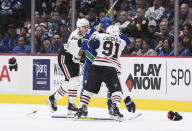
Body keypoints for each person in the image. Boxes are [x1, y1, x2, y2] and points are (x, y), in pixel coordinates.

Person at [75, 25, 135, 120]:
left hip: (96, 66)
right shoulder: (122, 42)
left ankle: (82, 106)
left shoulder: (100, 35)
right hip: (110, 67)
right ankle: (115, 107)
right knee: (116, 91)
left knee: (89, 90)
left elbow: (90, 44)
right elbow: (128, 42)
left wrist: (93, 34)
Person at [46, 18, 90, 116]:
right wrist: (82, 53)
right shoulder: (75, 36)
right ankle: (71, 105)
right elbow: (75, 47)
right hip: (65, 58)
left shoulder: (85, 34)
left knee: (69, 82)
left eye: (87, 27)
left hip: (73, 59)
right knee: (74, 80)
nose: (86, 29)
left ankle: (53, 99)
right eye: (84, 27)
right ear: (79, 27)